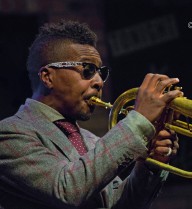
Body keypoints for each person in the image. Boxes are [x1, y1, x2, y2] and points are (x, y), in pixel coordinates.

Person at [0, 20, 182, 209]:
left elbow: (122, 205)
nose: (99, 82)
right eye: (87, 69)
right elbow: (68, 190)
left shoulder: (91, 140)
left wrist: (151, 163)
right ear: (48, 77)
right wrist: (139, 121)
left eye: (101, 73)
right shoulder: (9, 134)